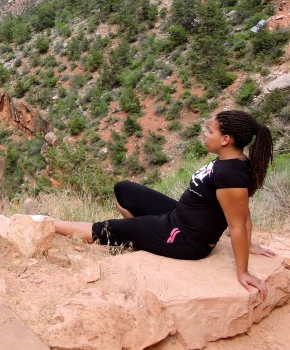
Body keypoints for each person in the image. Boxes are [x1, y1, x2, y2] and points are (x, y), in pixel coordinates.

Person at [41, 110, 275, 300]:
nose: (205, 134)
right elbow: (243, 211)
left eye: (210, 131)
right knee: (124, 190)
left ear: (226, 140)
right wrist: (249, 243)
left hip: (184, 239)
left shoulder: (231, 175)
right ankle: (143, 234)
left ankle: (46, 222)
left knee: (106, 228)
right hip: (178, 216)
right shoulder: (230, 159)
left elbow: (237, 222)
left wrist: (243, 271)